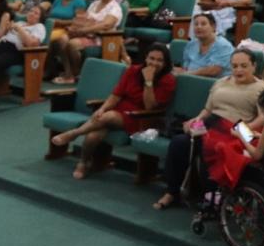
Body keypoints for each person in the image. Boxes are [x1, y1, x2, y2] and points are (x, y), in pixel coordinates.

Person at [155, 49, 264, 210]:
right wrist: (195, 121)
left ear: (254, 66)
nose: (238, 70)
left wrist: (243, 129)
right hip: (211, 123)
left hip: (237, 129)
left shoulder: (261, 88)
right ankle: (172, 192)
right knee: (179, 143)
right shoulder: (221, 82)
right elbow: (207, 110)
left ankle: (212, 198)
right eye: (234, 66)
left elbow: (263, 117)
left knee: (211, 148)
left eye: (244, 66)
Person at [51, 44, 176, 179]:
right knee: (93, 136)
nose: (154, 63)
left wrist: (149, 81)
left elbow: (149, 107)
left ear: (165, 63)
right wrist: (102, 108)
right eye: (151, 58)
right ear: (145, 58)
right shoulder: (133, 71)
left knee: (108, 117)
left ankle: (74, 133)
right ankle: (83, 162)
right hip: (120, 111)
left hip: (142, 117)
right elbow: (116, 95)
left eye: (159, 60)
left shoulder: (168, 80)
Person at [47, 0, 123, 84]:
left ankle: (76, 73)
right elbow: (84, 18)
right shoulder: (95, 4)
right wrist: (75, 27)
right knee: (61, 39)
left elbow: (105, 25)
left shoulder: (115, 8)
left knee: (72, 44)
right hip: (85, 33)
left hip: (101, 38)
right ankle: (68, 72)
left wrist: (83, 30)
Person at [177, 13, 233, 78]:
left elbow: (213, 71)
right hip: (191, 81)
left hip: (215, 84)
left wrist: (187, 74)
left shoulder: (223, 46)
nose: (199, 27)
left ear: (213, 27)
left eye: (203, 24)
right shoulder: (191, 44)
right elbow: (185, 67)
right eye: (196, 24)